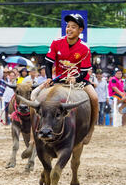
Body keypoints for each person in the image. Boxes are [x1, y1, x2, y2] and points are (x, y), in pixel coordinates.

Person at [34, 13, 98, 146]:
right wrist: (49, 78)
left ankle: (90, 130)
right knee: (35, 96)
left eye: (73, 27)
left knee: (94, 98)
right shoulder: (56, 42)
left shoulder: (85, 48)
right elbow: (48, 63)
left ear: (80, 30)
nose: (69, 29)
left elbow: (85, 71)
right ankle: (33, 134)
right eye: (68, 26)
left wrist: (75, 78)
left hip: (80, 81)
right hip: (58, 79)